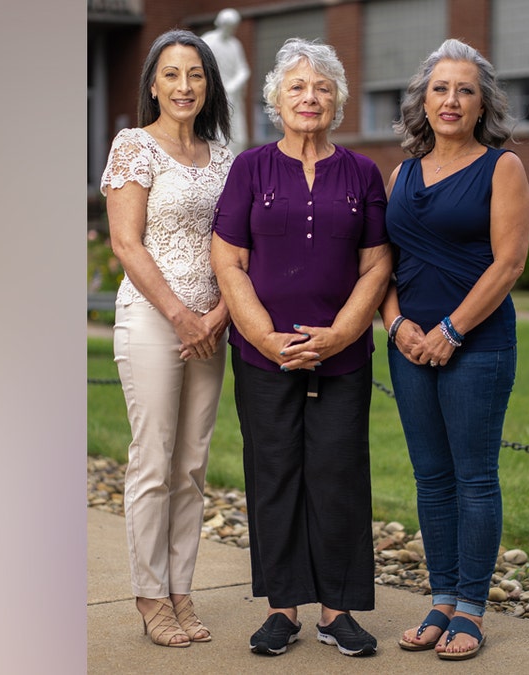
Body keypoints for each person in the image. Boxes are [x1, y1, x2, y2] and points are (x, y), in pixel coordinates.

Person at [209, 37, 392, 658]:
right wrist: (264, 336)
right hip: (263, 355)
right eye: (297, 87)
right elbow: (229, 261)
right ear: (275, 100)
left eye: (322, 87)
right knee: (274, 473)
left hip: (344, 356)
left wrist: (341, 333)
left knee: (339, 474)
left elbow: (376, 264)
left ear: (337, 100)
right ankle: (281, 610)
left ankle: (337, 611)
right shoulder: (250, 168)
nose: (309, 97)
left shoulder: (362, 173)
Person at [380, 38, 529, 661]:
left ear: (482, 105)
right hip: (408, 347)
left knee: (474, 477)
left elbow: (509, 263)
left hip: (477, 345)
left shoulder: (502, 168)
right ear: (422, 101)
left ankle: (471, 608)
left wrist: (451, 330)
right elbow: (384, 265)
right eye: (440, 89)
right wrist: (396, 325)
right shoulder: (401, 173)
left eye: (465, 90)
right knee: (431, 478)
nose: (451, 100)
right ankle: (441, 598)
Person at [99, 29, 233, 648]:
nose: (184, 86)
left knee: (192, 463)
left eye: (196, 74)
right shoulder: (134, 146)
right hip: (156, 319)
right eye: (172, 74)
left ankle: (182, 591)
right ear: (153, 84)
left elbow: (239, 246)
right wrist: (182, 316)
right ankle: (150, 596)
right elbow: (126, 244)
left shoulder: (225, 156)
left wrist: (218, 316)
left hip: (212, 324)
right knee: (153, 459)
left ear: (209, 85)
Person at [201, 9, 250, 155]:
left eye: (233, 27)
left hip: (232, 94)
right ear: (220, 23)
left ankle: (236, 161)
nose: (230, 30)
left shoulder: (235, 44)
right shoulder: (208, 41)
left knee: (238, 135)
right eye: (228, 26)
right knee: (216, 131)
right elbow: (200, 66)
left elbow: (243, 69)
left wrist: (234, 85)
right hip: (214, 94)